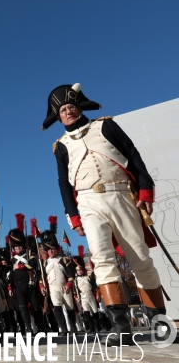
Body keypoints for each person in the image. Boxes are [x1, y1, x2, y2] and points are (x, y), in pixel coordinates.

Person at [44, 83, 165, 345]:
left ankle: (160, 323)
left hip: (120, 194)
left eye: (71, 106)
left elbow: (134, 157)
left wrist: (145, 192)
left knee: (140, 257)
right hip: (87, 201)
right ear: (58, 116)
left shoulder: (105, 126)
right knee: (101, 260)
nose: (68, 111)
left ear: (79, 107)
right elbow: (64, 183)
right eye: (63, 110)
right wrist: (73, 216)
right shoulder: (61, 146)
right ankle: (120, 327)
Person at [7, 225, 48, 335]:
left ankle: (41, 327)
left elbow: (32, 265)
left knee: (36, 307)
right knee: (23, 308)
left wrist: (20, 266)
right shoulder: (13, 260)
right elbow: (11, 274)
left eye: (19, 246)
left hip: (31, 284)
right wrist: (10, 286)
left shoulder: (30, 255)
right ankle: (29, 329)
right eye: (15, 247)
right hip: (19, 286)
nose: (17, 248)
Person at [38, 229, 79, 335]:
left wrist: (69, 284)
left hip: (65, 286)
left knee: (70, 307)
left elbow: (71, 274)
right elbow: (41, 277)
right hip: (52, 288)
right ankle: (64, 329)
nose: (51, 251)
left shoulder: (64, 260)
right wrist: (42, 286)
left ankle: (73, 328)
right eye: (49, 250)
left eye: (53, 249)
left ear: (57, 249)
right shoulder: (45, 263)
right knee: (57, 308)